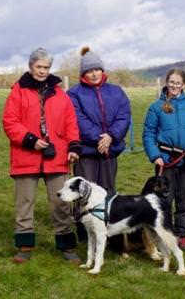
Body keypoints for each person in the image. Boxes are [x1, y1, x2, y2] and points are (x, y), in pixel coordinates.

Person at [2, 48, 82, 263]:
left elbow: (70, 122)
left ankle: (67, 247)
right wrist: (30, 140)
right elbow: (10, 122)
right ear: (30, 67)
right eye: (39, 67)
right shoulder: (17, 91)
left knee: (61, 203)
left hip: (56, 158)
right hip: (25, 155)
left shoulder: (60, 94)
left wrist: (73, 147)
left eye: (46, 67)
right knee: (24, 203)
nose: (42, 71)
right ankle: (24, 247)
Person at [66, 46, 130, 245]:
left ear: (102, 71)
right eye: (89, 71)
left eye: (97, 70)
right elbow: (78, 119)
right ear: (83, 74)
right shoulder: (74, 93)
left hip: (109, 151)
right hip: (87, 152)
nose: (94, 74)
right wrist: (98, 138)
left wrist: (111, 136)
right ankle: (84, 232)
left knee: (108, 190)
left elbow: (123, 116)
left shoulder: (116, 92)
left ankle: (108, 230)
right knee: (84, 191)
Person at [142, 68, 185, 250]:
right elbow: (148, 134)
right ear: (166, 82)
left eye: (178, 83)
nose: (174, 86)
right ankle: (166, 235)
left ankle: (181, 235)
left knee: (184, 199)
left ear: (183, 85)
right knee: (165, 200)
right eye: (171, 82)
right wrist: (155, 155)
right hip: (166, 160)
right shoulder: (156, 107)